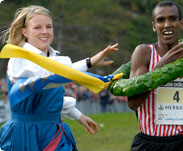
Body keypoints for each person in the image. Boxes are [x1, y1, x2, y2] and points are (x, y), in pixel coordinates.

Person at [0, 5, 119, 151]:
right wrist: (89, 63)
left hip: (53, 133)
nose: (45, 31)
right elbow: (50, 78)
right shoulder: (19, 59)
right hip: (25, 135)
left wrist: (78, 115)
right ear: (24, 31)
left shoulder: (56, 58)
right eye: (37, 27)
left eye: (49, 26)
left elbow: (50, 98)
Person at [128, 1, 183, 151]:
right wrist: (159, 67)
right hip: (148, 143)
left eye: (172, 19)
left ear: (181, 23)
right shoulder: (144, 53)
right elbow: (133, 103)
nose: (167, 25)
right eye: (161, 20)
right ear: (154, 26)